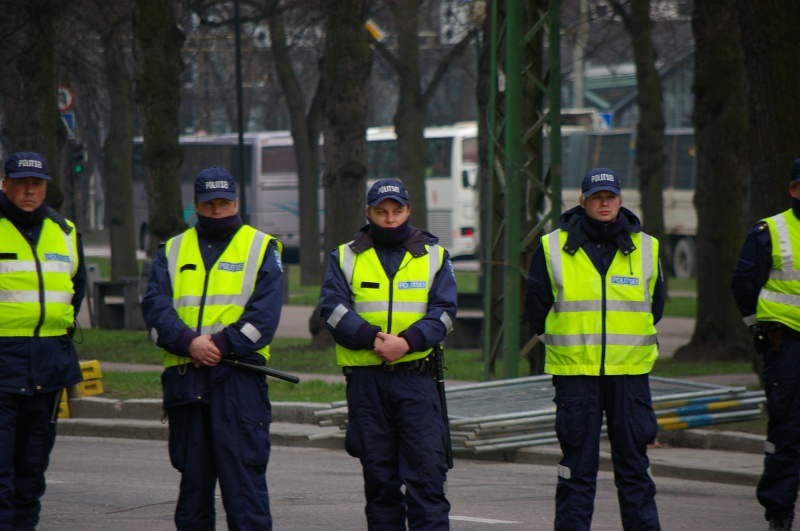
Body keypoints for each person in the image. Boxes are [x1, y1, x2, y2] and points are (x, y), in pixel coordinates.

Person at [141, 166, 284, 530]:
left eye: (223, 203)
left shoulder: (261, 247)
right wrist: (189, 343)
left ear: (236, 202)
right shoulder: (172, 250)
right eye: (209, 204)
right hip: (186, 382)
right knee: (193, 494)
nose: (217, 210)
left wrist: (218, 346)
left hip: (238, 381)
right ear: (196, 204)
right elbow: (155, 308)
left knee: (246, 492)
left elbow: (263, 319)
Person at [525, 167, 664, 530]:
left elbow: (656, 306)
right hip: (576, 375)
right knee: (576, 469)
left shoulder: (647, 248)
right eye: (597, 198)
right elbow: (536, 310)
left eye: (610, 197)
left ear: (620, 200)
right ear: (583, 201)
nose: (605, 204)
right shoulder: (552, 247)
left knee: (634, 468)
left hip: (630, 375)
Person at [319, 178, 457, 530]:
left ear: (409, 210)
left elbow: (444, 313)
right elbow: (332, 310)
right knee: (380, 484)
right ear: (368, 212)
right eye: (381, 212)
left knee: (427, 478)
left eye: (397, 211)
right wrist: (372, 338)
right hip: (367, 384)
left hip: (417, 379)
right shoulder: (345, 256)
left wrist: (407, 342)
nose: (390, 218)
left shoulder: (434, 256)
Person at [0, 151, 86, 529]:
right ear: (5, 185)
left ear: (46, 188)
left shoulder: (64, 232)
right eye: (21, 183)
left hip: (49, 367)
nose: (29, 191)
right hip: (3, 365)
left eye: (36, 184)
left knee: (32, 472)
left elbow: (75, 291)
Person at [730, 157, 800, 531]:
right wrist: (758, 327)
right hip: (786, 343)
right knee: (787, 427)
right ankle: (779, 511)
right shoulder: (770, 231)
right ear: (794, 190)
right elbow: (743, 284)